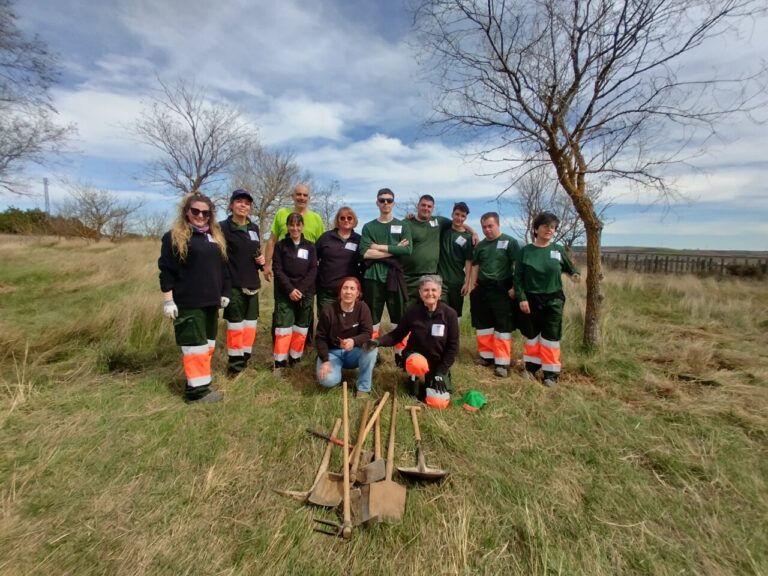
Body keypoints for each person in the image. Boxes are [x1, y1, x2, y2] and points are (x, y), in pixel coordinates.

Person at [158, 192, 230, 404]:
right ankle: (196, 394)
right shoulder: (175, 236)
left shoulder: (214, 236)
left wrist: (224, 292)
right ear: (186, 212)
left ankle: (200, 384)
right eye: (195, 211)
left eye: (205, 213)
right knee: (194, 348)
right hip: (189, 302)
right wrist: (168, 300)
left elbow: (223, 268)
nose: (200, 216)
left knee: (206, 346)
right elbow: (166, 271)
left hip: (211, 302)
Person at [370, 275, 459, 409]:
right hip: (416, 356)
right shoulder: (413, 312)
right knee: (417, 364)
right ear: (420, 293)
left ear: (440, 292)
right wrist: (377, 342)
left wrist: (441, 372)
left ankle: (435, 379)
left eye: (434, 290)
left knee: (438, 403)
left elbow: (453, 348)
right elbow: (397, 335)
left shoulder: (450, 314)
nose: (430, 293)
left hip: (438, 362)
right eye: (426, 290)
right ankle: (413, 381)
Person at [514, 212, 581, 387]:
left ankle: (550, 374)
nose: (549, 230)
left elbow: (570, 268)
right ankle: (531, 368)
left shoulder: (557, 250)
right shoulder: (526, 251)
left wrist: (575, 274)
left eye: (552, 227)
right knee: (532, 336)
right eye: (545, 226)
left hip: (553, 300)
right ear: (536, 229)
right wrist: (521, 298)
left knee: (551, 337)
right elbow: (518, 278)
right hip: (530, 299)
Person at [358, 188, 412, 362]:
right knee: (372, 319)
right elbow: (365, 253)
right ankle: (372, 351)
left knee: (399, 317)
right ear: (377, 203)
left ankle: (400, 354)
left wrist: (379, 247)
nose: (386, 203)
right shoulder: (369, 227)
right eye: (382, 200)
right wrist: (395, 250)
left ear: (394, 203)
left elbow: (408, 250)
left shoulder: (403, 225)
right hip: (373, 277)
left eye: (389, 200)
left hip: (394, 277)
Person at [468, 212, 521, 378]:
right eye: (484, 227)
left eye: (490, 226)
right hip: (483, 288)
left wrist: (514, 287)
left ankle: (502, 362)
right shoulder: (481, 246)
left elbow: (517, 265)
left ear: (498, 224)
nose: (487, 230)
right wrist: (472, 286)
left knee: (502, 326)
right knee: (483, 325)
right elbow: (475, 266)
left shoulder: (510, 242)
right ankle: (486, 357)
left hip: (503, 288)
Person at [219, 188, 265, 376]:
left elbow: (255, 251)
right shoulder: (222, 228)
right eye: (239, 201)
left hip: (252, 284)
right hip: (234, 285)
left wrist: (261, 260)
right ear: (231, 205)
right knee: (236, 327)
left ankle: (245, 360)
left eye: (247, 203)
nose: (243, 205)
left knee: (250, 326)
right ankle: (235, 367)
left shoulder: (253, 228)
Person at [401, 195, 478, 303]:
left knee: (431, 310)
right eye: (423, 205)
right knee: (409, 311)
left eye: (429, 206)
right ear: (418, 206)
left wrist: (473, 232)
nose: (426, 208)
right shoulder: (407, 223)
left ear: (432, 208)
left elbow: (458, 223)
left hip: (431, 276)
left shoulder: (439, 221)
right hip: (409, 277)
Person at [315, 276, 377, 398]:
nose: (348, 292)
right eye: (345, 288)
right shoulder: (328, 310)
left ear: (358, 293)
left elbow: (367, 333)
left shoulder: (363, 308)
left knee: (372, 349)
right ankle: (333, 371)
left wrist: (354, 341)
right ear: (340, 291)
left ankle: (363, 388)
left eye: (352, 289)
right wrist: (326, 360)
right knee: (327, 381)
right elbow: (320, 337)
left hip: (355, 352)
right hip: (333, 353)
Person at [272, 212, 318, 372]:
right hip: (285, 293)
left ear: (302, 226)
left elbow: (313, 270)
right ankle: (279, 362)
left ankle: (295, 357)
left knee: (301, 328)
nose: (295, 228)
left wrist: (301, 289)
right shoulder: (281, 246)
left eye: (298, 225)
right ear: (288, 226)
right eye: (292, 224)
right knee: (283, 328)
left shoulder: (310, 247)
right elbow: (277, 269)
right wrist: (290, 289)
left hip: (305, 293)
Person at [263, 183, 325, 281]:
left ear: (309, 198)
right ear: (293, 196)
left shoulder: (316, 218)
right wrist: (267, 265)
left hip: (306, 274)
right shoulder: (281, 213)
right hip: (283, 271)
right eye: (299, 194)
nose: (302, 197)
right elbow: (272, 241)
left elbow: (322, 247)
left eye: (305, 195)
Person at [315, 207, 363, 312]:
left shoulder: (359, 240)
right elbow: (312, 259)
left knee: (348, 324)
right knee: (326, 323)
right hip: (327, 292)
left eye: (349, 218)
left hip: (349, 293)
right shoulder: (326, 237)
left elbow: (365, 262)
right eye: (342, 218)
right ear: (337, 220)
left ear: (354, 220)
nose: (346, 220)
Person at [437, 201, 474, 316]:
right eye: (457, 214)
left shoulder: (468, 239)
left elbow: (469, 261)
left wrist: (467, 283)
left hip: (457, 281)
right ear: (452, 214)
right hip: (440, 280)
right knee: (440, 312)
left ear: (466, 218)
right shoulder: (443, 230)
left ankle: (454, 334)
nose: (459, 218)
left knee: (455, 314)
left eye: (463, 216)